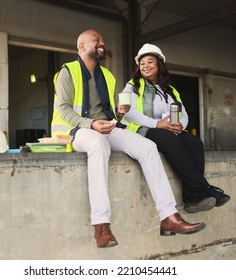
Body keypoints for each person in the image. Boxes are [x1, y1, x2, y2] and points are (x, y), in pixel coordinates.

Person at [51, 30, 205, 248]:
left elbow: (108, 112)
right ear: (82, 47)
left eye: (103, 40)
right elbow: (64, 109)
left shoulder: (108, 75)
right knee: (98, 145)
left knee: (148, 147)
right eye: (97, 41)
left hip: (106, 126)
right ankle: (101, 225)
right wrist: (91, 124)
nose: (102, 43)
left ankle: (169, 216)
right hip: (77, 130)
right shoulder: (67, 71)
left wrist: (119, 112)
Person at [121, 43, 231, 214]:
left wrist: (179, 126)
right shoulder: (133, 85)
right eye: (142, 63)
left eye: (150, 62)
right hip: (142, 130)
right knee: (170, 140)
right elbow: (128, 113)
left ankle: (192, 198)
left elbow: (182, 113)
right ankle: (203, 188)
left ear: (159, 64)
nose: (145, 66)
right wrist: (157, 124)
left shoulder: (170, 90)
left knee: (194, 143)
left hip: (165, 130)